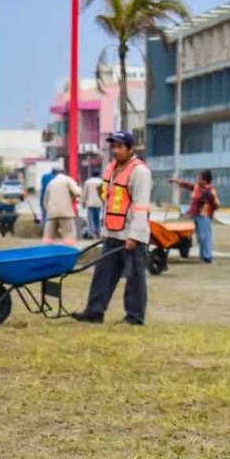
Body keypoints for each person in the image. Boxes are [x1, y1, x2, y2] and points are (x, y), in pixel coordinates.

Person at [72, 131, 152, 325]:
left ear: (131, 149)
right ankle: (94, 311)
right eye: (113, 146)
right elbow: (109, 201)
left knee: (134, 277)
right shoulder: (112, 169)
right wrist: (105, 229)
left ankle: (134, 317)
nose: (115, 150)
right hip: (112, 232)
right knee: (103, 274)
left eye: (120, 147)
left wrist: (134, 236)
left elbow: (141, 206)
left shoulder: (139, 171)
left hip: (131, 235)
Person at [170, 170, 218, 263]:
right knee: (200, 237)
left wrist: (207, 207)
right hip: (195, 215)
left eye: (200, 179)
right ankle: (203, 256)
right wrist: (176, 181)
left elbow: (216, 203)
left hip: (204, 216)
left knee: (205, 236)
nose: (198, 180)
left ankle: (208, 257)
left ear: (205, 180)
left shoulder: (210, 190)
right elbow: (188, 185)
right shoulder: (197, 187)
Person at [42, 169, 81, 245]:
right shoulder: (68, 180)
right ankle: (68, 251)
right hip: (65, 213)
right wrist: (74, 198)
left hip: (51, 214)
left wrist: (49, 210)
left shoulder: (51, 183)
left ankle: (48, 251)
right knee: (69, 234)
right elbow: (77, 192)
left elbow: (45, 201)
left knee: (49, 236)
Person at [81, 170, 104, 239]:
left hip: (90, 203)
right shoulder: (101, 182)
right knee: (98, 219)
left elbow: (84, 193)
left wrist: (83, 202)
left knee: (90, 219)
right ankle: (99, 233)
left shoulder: (88, 182)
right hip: (99, 203)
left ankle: (91, 234)